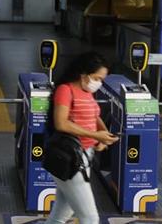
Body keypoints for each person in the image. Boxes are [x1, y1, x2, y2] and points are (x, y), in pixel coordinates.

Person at [46, 51, 119, 224]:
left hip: (84, 157)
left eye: (102, 79)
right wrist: (95, 135)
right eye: (97, 78)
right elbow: (61, 123)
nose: (98, 83)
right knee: (90, 218)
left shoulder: (86, 92)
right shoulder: (65, 90)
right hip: (70, 158)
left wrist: (102, 136)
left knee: (60, 216)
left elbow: (94, 115)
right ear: (83, 74)